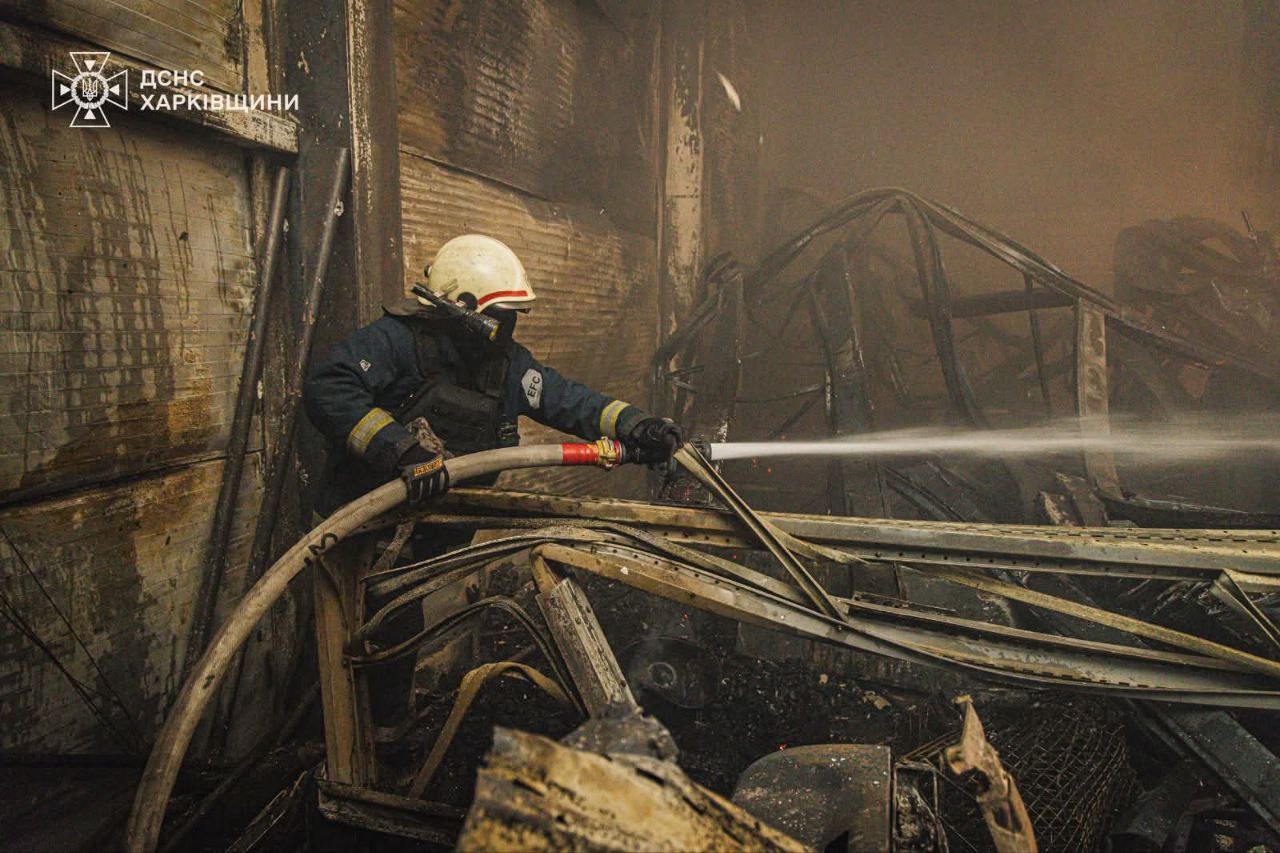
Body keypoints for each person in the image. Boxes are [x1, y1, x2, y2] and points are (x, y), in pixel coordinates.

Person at [305, 233, 684, 516]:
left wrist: (635, 425)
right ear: (464, 308)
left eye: (513, 314)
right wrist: (400, 450)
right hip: (358, 526)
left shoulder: (506, 365)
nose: (508, 325)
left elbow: (569, 400)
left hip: (434, 532)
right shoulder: (397, 341)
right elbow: (329, 388)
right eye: (501, 313)